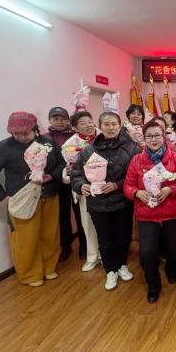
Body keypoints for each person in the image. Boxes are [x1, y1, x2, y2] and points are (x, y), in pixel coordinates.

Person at [0, 112, 64, 286]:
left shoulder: (48, 142)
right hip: (23, 200)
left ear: (35, 128)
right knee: (26, 239)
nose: (21, 136)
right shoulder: (5, 147)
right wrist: (2, 197)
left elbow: (61, 163)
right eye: (16, 133)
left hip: (48, 195)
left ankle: (48, 267)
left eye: (25, 132)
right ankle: (30, 274)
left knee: (50, 235)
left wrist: (52, 176)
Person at [123, 122, 176, 303]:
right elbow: (128, 186)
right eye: (149, 136)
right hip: (147, 214)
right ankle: (153, 286)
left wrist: (171, 190)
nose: (154, 139)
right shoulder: (136, 161)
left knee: (173, 248)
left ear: (163, 137)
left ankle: (172, 267)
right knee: (147, 252)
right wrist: (137, 193)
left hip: (173, 212)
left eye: (157, 135)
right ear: (144, 139)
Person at [70, 112, 138, 291]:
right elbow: (76, 174)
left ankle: (122, 265)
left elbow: (136, 174)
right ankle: (110, 270)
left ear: (120, 125)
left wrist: (117, 185)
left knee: (123, 236)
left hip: (122, 201)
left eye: (114, 124)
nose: (110, 127)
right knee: (105, 239)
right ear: (99, 126)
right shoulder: (88, 150)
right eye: (106, 124)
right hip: (98, 204)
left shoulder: (130, 148)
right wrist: (81, 186)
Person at [61, 111, 102, 272]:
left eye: (90, 121)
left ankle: (107, 256)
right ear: (75, 128)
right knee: (88, 224)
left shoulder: (104, 136)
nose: (88, 125)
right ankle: (93, 256)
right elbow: (67, 171)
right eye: (83, 123)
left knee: (107, 225)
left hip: (105, 188)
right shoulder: (70, 145)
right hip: (85, 189)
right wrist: (67, 172)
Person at [43, 107, 83, 262]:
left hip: (76, 180)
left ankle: (84, 245)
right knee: (62, 216)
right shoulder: (44, 138)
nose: (59, 122)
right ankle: (65, 246)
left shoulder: (76, 136)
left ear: (68, 120)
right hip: (56, 182)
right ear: (49, 120)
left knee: (80, 213)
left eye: (63, 118)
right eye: (55, 119)